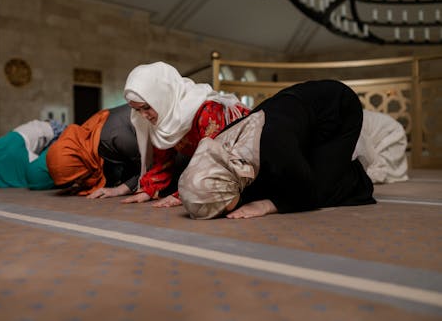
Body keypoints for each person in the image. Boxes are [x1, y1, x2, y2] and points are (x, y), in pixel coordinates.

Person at [179, 79, 376, 220]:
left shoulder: (276, 149)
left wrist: (267, 205)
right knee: (271, 181)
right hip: (293, 111)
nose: (224, 214)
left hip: (337, 108)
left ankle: (356, 177)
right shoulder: (218, 147)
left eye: (220, 210)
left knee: (319, 189)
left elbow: (307, 192)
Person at [122, 61, 251, 207]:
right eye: (137, 110)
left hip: (245, 161)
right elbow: (163, 162)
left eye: (145, 107)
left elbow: (214, 161)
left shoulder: (206, 110)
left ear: (162, 96)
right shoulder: (164, 114)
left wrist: (182, 194)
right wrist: (148, 190)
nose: (143, 116)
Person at [46, 104, 141, 197]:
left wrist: (120, 190)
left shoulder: (113, 138)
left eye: (78, 178)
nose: (79, 182)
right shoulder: (89, 140)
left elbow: (149, 166)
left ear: (80, 161)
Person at [0, 119, 65, 190]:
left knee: (39, 173)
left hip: (54, 131)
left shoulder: (20, 154)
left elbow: (38, 171)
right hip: (37, 128)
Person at [353, 110, 409, 184]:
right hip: (375, 136)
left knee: (372, 173)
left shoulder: (352, 123)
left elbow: (367, 152)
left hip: (391, 135)